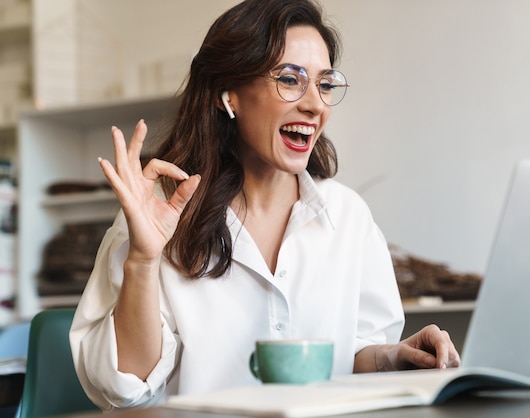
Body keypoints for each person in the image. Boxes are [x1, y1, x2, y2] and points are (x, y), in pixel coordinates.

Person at [69, 0, 460, 411]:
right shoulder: (159, 215)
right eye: (290, 80)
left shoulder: (348, 217)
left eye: (324, 85)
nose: (314, 104)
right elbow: (125, 387)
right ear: (229, 95)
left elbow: (355, 353)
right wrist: (143, 260)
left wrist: (393, 356)